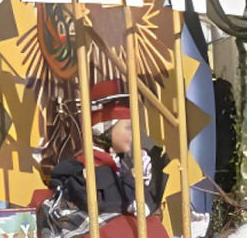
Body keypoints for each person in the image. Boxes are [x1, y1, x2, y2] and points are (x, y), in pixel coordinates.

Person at [46, 83, 169, 238]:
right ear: (105, 129)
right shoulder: (82, 169)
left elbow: (145, 209)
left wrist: (135, 177)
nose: (135, 135)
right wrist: (130, 178)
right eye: (128, 128)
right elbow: (110, 206)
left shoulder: (123, 165)